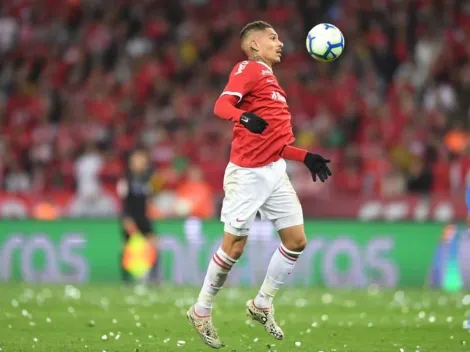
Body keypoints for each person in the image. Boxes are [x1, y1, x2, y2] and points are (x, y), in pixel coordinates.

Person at [186, 21, 332, 349]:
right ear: (254, 45)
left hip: (274, 171)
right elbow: (221, 105)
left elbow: (275, 143)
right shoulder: (248, 68)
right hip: (247, 173)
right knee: (234, 247)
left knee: (296, 240)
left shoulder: (272, 82)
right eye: (273, 38)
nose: (280, 43)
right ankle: (201, 309)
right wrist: (241, 117)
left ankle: (262, 303)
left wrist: (305, 156)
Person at [116, 149, 158, 283]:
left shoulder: (148, 178)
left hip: (144, 219)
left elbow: (148, 200)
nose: (140, 163)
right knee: (127, 249)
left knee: (154, 247)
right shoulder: (125, 180)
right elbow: (124, 203)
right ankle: (126, 280)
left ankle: (154, 277)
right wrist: (126, 220)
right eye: (137, 161)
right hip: (130, 218)